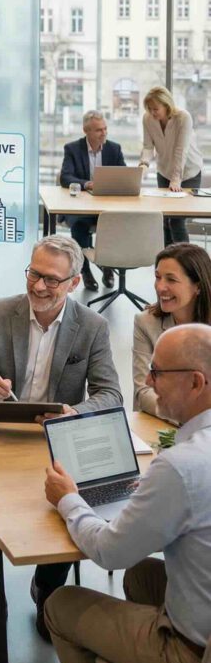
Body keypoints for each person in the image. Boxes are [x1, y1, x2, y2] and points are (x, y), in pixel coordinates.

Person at [0, 235, 122, 649]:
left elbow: (111, 394)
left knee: (70, 498)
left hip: (54, 440)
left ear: (74, 282)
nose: (38, 286)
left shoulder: (93, 327)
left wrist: (74, 413)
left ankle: (48, 591)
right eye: (33, 274)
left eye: (51, 279)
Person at [44, 323, 211, 663]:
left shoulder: (181, 466)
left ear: (196, 382)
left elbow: (109, 552)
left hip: (196, 659)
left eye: (159, 372)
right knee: (140, 575)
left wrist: (68, 498)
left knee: (60, 604)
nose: (148, 382)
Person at [132, 242, 211, 418]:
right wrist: (185, 418)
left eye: (171, 279)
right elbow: (143, 390)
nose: (160, 287)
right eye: (158, 277)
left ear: (198, 286)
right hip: (166, 422)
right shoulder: (145, 322)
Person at [60, 110, 126, 292]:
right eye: (98, 130)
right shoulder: (72, 149)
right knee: (79, 224)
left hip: (107, 206)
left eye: (105, 129)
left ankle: (107, 265)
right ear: (86, 131)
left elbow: (125, 176)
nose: (104, 133)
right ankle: (85, 270)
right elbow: (65, 177)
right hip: (81, 206)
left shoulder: (114, 148)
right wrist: (87, 184)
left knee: (116, 223)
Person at [138, 85, 203, 245]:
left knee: (177, 220)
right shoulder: (147, 119)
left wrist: (176, 179)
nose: (152, 113)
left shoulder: (183, 118)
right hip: (164, 171)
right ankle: (167, 261)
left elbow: (181, 150)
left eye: (156, 109)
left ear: (166, 105)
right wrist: (143, 165)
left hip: (188, 172)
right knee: (165, 219)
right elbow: (148, 146)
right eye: (149, 109)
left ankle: (185, 263)